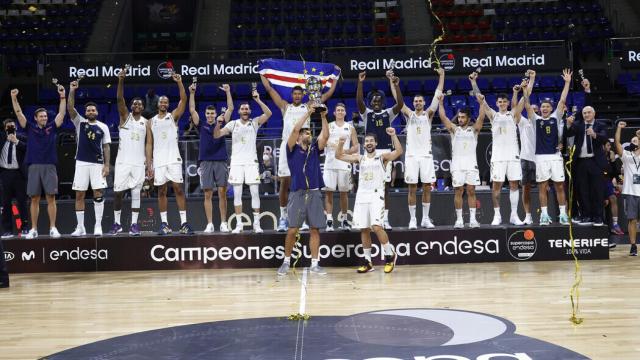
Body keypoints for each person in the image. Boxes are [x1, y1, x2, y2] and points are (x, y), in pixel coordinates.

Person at [261, 73, 338, 232]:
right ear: (291, 95)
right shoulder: (285, 106)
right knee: (285, 182)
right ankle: (283, 217)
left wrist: (335, 77)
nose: (297, 96)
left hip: (303, 146)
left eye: (299, 94)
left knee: (302, 181)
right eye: (294, 94)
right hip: (288, 146)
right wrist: (262, 71)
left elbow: (327, 94)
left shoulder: (309, 106)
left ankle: (301, 218)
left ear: (303, 95)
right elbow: (269, 88)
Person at [335, 128, 403, 273]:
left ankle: (390, 255)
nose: (369, 143)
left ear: (376, 143)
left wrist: (393, 135)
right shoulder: (360, 158)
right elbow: (339, 156)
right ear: (364, 144)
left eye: (371, 141)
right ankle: (368, 261)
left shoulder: (382, 157)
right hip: (362, 195)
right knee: (364, 228)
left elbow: (398, 151)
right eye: (367, 141)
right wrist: (341, 143)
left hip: (376, 195)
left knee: (377, 227)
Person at [276, 104, 329, 276]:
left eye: (309, 132)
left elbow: (325, 136)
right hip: (297, 193)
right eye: (305, 132)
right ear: (298, 136)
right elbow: (294, 130)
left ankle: (315, 263)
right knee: (292, 229)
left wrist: (323, 116)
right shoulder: (291, 149)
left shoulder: (314, 149)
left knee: (315, 229)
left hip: (314, 192)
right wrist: (308, 113)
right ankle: (286, 261)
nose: (309, 134)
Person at [214, 87, 272, 234]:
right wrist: (218, 122)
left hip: (251, 163)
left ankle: (256, 224)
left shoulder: (255, 122)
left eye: (247, 109)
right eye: (243, 109)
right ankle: (239, 224)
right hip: (236, 163)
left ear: (250, 112)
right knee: (237, 194)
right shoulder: (233, 124)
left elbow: (269, 113)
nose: (245, 111)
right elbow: (216, 135)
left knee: (255, 193)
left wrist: (258, 100)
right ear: (239, 111)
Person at [470, 71, 525, 226]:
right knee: (496, 186)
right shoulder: (493, 115)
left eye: (504, 102)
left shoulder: (513, 114)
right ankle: (497, 215)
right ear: (497, 103)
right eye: (499, 102)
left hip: (513, 155)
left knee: (514, 184)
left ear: (507, 103)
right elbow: (480, 100)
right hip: (498, 157)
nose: (501, 104)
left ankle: (514, 215)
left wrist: (524, 87)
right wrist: (474, 82)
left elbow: (523, 100)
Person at [11, 87, 65, 239]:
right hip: (34, 165)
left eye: (45, 116)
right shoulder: (29, 127)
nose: (44, 118)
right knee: (34, 198)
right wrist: (14, 98)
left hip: (50, 165)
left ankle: (53, 228)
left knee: (51, 197)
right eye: (41, 116)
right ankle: (34, 229)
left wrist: (62, 97)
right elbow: (19, 114)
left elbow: (61, 114)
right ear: (35, 118)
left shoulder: (52, 127)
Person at [394, 68, 444, 229]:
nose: (417, 103)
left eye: (420, 101)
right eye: (415, 101)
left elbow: (437, 95)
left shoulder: (428, 114)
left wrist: (442, 76)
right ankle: (413, 219)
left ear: (423, 102)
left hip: (426, 156)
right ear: (413, 103)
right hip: (412, 157)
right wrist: (394, 85)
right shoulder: (409, 114)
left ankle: (425, 219)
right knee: (412, 188)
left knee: (427, 187)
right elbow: (399, 101)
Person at [523, 69, 572, 225]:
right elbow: (527, 105)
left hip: (555, 156)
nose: (544, 108)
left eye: (547, 107)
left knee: (559, 186)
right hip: (541, 157)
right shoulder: (535, 119)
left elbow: (562, 101)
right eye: (542, 106)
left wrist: (567, 82)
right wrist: (525, 91)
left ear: (551, 109)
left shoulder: (556, 117)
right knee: (542, 186)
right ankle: (544, 215)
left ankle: (563, 214)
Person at [356, 71, 403, 230]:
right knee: (368, 185)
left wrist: (396, 85)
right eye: (373, 101)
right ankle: (369, 218)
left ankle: (385, 219)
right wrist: (360, 83)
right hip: (370, 154)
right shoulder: (366, 114)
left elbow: (401, 105)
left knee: (385, 187)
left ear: (383, 102)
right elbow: (358, 101)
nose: (376, 102)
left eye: (379, 100)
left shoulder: (387, 113)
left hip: (385, 154)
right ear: (370, 102)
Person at [149, 73, 194, 235]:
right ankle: (164, 224)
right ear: (157, 104)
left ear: (168, 105)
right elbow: (149, 143)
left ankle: (184, 223)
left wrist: (180, 82)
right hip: (159, 160)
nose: (163, 103)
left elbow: (183, 100)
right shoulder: (151, 121)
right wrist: (149, 163)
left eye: (166, 102)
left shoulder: (173, 116)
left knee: (178, 189)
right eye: (161, 101)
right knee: (161, 191)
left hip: (173, 159)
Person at [109, 67, 151, 236]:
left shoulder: (147, 122)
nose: (137, 105)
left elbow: (149, 144)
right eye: (134, 103)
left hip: (138, 163)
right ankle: (117, 223)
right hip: (123, 162)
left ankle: (134, 225)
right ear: (131, 106)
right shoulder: (124, 117)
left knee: (136, 193)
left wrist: (149, 164)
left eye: (140, 104)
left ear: (143, 107)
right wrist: (121, 80)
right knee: (118, 192)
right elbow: (120, 99)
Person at [68, 80, 112, 236]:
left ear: (97, 112)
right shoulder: (80, 122)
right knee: (79, 194)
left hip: (97, 164)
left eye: (93, 110)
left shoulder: (103, 127)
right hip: (81, 162)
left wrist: (107, 165)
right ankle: (80, 227)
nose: (91, 112)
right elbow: (70, 108)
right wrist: (72, 90)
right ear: (85, 112)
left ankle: (97, 225)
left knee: (98, 192)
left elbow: (106, 146)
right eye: (88, 110)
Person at [189, 82, 233, 233]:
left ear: (215, 115)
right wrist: (192, 93)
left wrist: (227, 92)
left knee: (222, 192)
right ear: (205, 114)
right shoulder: (200, 124)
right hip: (206, 161)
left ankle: (223, 222)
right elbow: (192, 109)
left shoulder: (222, 122)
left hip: (220, 160)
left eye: (212, 113)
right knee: (207, 194)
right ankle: (210, 224)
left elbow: (231, 108)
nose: (209, 116)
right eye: (207, 113)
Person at [438, 93, 486, 228]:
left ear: (468, 118)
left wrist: (482, 104)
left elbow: (482, 117)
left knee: (471, 190)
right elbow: (443, 117)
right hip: (457, 165)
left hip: (471, 164)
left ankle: (473, 220)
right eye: (459, 117)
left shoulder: (474, 129)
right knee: (458, 190)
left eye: (462, 117)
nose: (460, 119)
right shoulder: (454, 130)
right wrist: (441, 103)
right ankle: (459, 220)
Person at [565, 105, 608, 226]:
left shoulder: (600, 125)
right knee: (582, 190)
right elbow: (568, 133)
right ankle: (586, 215)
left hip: (595, 161)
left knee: (597, 190)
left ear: (594, 114)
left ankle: (598, 217)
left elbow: (605, 138)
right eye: (584, 113)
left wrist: (594, 134)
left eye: (589, 112)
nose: (587, 115)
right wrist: (568, 124)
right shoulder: (578, 125)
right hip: (580, 162)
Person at [323, 103, 358, 232]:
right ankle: (329, 221)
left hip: (344, 164)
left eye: (342, 110)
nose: (340, 112)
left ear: (345, 113)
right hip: (330, 164)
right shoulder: (329, 126)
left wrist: (345, 152)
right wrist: (330, 143)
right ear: (334, 112)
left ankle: (344, 220)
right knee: (329, 193)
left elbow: (356, 146)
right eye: (338, 110)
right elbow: (322, 140)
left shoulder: (350, 128)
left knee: (344, 193)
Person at [0, 119, 29, 238]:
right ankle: (7, 230)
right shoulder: (1, 139)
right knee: (5, 203)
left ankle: (25, 228)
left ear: (16, 127)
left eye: (12, 126)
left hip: (19, 175)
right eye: (8, 127)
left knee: (22, 202)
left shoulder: (22, 138)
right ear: (4, 129)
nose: (10, 128)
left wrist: (16, 141)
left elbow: (29, 149)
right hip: (5, 174)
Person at [614, 121, 638, 256]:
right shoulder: (627, 157)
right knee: (632, 220)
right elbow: (617, 142)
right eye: (633, 141)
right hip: (630, 192)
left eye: (637, 140)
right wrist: (618, 128)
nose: (634, 142)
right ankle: (633, 245)